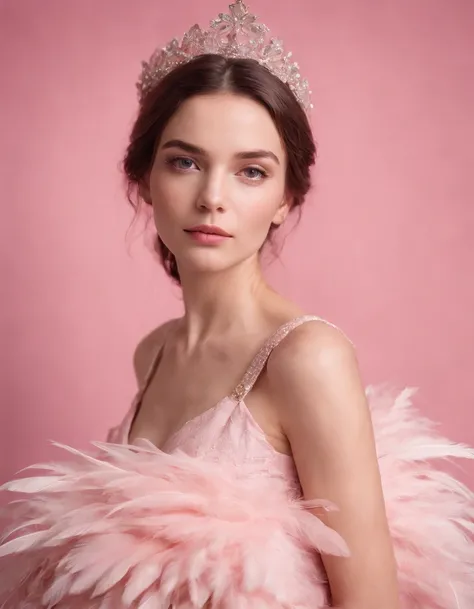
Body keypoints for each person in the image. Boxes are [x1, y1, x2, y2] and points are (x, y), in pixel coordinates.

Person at [0, 2, 472, 608]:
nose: (212, 197)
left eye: (251, 171)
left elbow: (371, 602)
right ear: (144, 177)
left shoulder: (306, 357)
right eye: (186, 162)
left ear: (285, 198)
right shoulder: (155, 352)